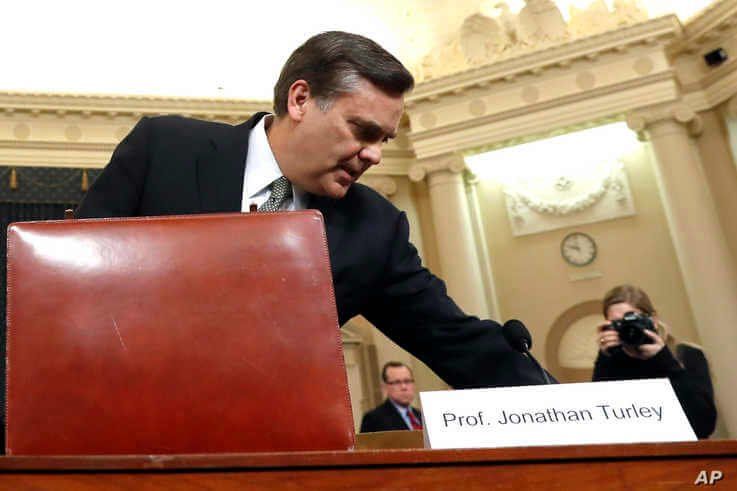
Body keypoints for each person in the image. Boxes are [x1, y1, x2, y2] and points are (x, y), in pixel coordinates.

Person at [75, 30, 549, 390]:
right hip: (120, 426)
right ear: (300, 99)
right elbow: (67, 288)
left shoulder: (375, 228)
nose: (374, 155)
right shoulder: (167, 151)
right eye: (362, 131)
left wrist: (573, 410)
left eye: (383, 140)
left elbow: (457, 340)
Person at [593, 284, 717, 438]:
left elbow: (704, 425)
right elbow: (600, 424)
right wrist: (604, 357)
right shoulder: (611, 362)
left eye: (631, 319)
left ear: (653, 320)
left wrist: (664, 360)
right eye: (619, 324)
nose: (628, 328)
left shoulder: (686, 355)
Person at [360, 362, 423, 433]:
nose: (404, 387)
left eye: (407, 381)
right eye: (397, 382)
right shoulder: (373, 419)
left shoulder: (421, 415)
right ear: (385, 387)